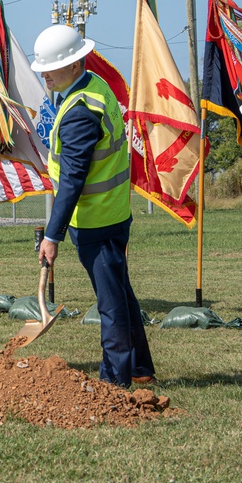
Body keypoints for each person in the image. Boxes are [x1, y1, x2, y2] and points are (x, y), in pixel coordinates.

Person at [31, 24, 155, 387]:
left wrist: (52, 235)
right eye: (43, 69)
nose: (45, 76)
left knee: (110, 303)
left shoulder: (80, 112)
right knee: (120, 293)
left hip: (96, 219)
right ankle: (140, 368)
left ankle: (115, 380)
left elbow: (72, 179)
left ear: (75, 65)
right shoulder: (95, 87)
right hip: (113, 212)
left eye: (51, 68)